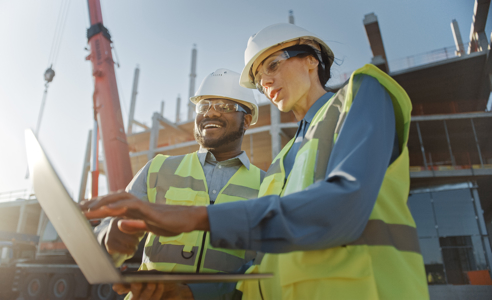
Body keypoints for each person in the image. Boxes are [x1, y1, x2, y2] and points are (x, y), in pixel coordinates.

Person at [84, 23, 429, 300]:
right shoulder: (280, 165)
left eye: (273, 65)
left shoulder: (361, 94)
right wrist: (188, 292)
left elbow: (342, 208)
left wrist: (193, 216)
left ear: (311, 59)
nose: (266, 81)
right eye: (260, 78)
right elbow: (257, 266)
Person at [87, 68, 265, 300]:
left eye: (225, 106)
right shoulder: (158, 169)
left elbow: (264, 266)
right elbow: (111, 227)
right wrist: (107, 240)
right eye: (204, 106)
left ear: (247, 120)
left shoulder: (267, 185)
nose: (211, 113)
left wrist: (196, 293)